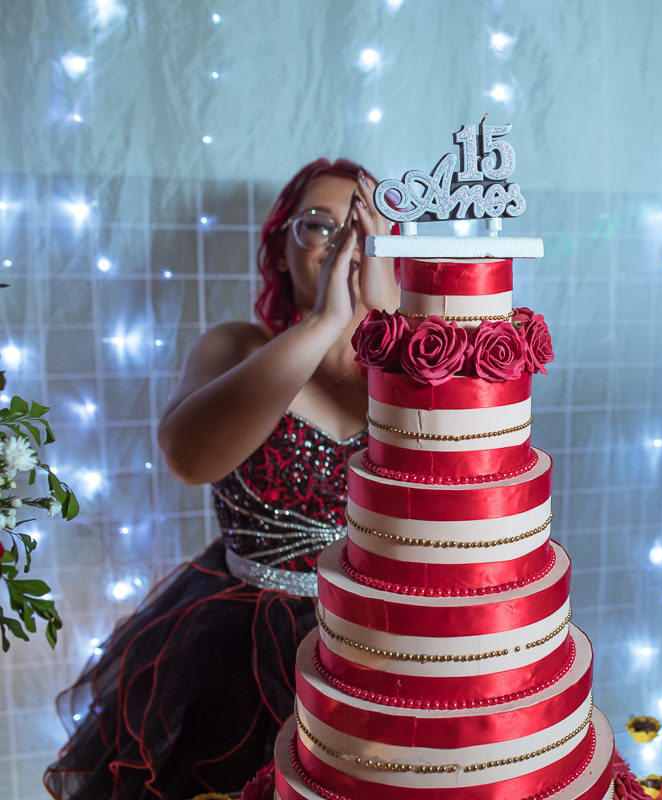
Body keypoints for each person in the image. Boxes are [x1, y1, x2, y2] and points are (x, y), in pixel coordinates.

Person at [45, 158, 402, 800]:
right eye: (319, 225)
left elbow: (456, 484)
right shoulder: (237, 348)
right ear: (281, 247)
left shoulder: (419, 370)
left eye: (363, 225)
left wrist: (391, 320)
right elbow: (189, 460)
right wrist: (324, 321)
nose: (345, 242)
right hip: (240, 648)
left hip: (382, 646)